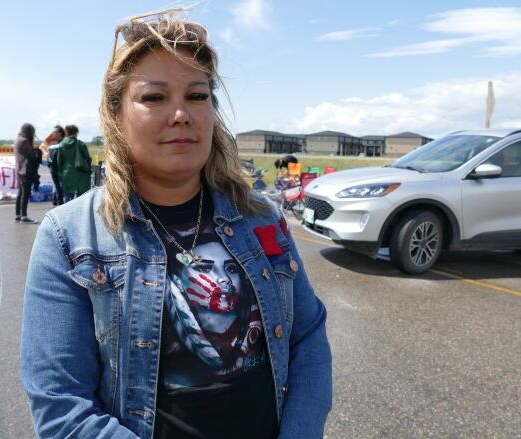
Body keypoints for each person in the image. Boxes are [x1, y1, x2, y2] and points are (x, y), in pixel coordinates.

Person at [20, 10, 331, 439]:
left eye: (197, 95)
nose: (182, 114)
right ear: (116, 115)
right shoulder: (67, 238)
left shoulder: (262, 217)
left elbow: (308, 337)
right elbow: (62, 407)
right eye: (154, 97)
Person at [56, 124, 91, 202]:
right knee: (80, 199)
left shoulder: (61, 145)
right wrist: (88, 167)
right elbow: (88, 159)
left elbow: (59, 162)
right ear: (76, 132)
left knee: (67, 197)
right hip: (81, 174)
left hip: (67, 174)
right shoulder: (81, 144)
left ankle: (67, 212)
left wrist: (61, 172)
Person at [13, 123, 37, 224]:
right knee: (25, 193)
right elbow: (31, 156)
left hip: (19, 169)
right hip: (25, 170)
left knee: (20, 193)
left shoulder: (18, 139)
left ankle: (18, 215)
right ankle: (24, 217)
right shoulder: (25, 141)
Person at [47, 125, 65, 205]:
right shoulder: (52, 143)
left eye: (55, 132)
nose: (53, 133)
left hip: (60, 169)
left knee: (60, 186)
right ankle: (56, 201)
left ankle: (59, 203)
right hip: (52, 168)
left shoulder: (64, 143)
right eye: (53, 132)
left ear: (60, 133)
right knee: (57, 186)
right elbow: (48, 155)